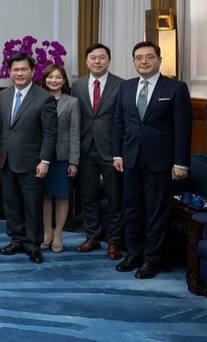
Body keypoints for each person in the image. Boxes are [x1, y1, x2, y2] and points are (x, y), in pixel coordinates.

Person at [113, 41, 191, 279]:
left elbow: (182, 128)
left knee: (156, 212)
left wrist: (181, 163)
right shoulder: (126, 87)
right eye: (138, 58)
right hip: (131, 160)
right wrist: (118, 154)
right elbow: (119, 123)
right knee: (132, 209)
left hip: (161, 163)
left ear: (159, 59)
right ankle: (134, 254)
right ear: (134, 61)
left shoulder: (175, 88)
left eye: (149, 57)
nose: (143, 61)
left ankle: (151, 260)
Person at [0, 53, 57, 264]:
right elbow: (1, 128)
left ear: (32, 71)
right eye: (15, 70)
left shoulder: (44, 98)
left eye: (23, 69)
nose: (19, 73)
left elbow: (50, 133)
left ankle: (33, 244)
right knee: (11, 204)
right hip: (7, 160)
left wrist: (44, 160)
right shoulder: (3, 95)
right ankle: (16, 240)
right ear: (10, 72)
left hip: (32, 163)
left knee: (32, 206)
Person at [70, 43, 124, 259]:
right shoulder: (78, 85)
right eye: (93, 58)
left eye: (102, 57)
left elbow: (123, 120)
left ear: (108, 60)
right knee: (88, 196)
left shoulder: (121, 85)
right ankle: (92, 236)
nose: (97, 61)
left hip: (111, 150)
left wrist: (120, 151)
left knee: (115, 198)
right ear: (86, 61)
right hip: (85, 150)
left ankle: (114, 241)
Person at [39, 64, 79, 253]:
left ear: (64, 81)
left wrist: (74, 161)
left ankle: (58, 234)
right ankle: (47, 232)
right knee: (45, 196)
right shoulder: (37, 99)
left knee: (62, 196)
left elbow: (74, 133)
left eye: (58, 77)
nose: (54, 80)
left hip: (62, 157)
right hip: (42, 156)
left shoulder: (72, 102)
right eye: (50, 77)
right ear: (44, 79)